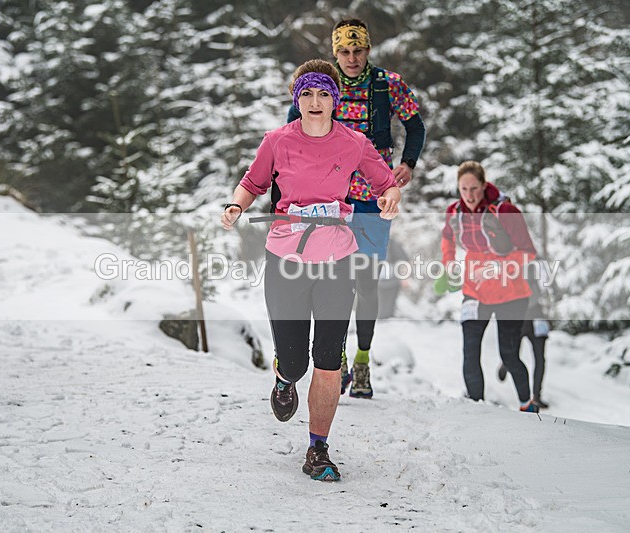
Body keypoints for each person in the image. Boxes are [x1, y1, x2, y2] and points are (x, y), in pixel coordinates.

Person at [221, 59, 401, 481]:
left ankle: (317, 450)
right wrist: (234, 206)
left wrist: (390, 197)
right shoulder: (277, 141)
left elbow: (384, 181)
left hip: (337, 259)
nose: (315, 102)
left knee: (327, 362)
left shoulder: (353, 142)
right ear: (296, 98)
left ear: (335, 99)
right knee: (297, 362)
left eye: (323, 94)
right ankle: (285, 377)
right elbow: (252, 183)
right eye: (306, 93)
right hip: (286, 260)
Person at [287, 18, 426, 399]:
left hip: (372, 200)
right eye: (344, 52)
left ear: (368, 50)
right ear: (335, 52)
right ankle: (338, 355)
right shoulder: (319, 86)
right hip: (326, 199)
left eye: (358, 50)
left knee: (365, 281)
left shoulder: (388, 84)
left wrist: (408, 164)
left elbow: (416, 127)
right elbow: (291, 132)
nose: (351, 58)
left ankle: (362, 359)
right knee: (330, 280)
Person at [437, 161, 540, 413]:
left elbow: (529, 253)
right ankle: (476, 408)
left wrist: (497, 268)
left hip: (511, 293)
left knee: (509, 355)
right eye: (464, 189)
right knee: (470, 352)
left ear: (484, 186)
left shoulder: (505, 212)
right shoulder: (455, 212)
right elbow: (447, 238)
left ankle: (527, 404)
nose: (469, 195)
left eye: (474, 188)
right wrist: (449, 265)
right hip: (474, 291)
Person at [498, 274, 551, 409]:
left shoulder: (536, 262)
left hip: (536, 315)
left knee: (540, 358)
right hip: (520, 315)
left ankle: (536, 396)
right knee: (513, 352)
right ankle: (506, 363)